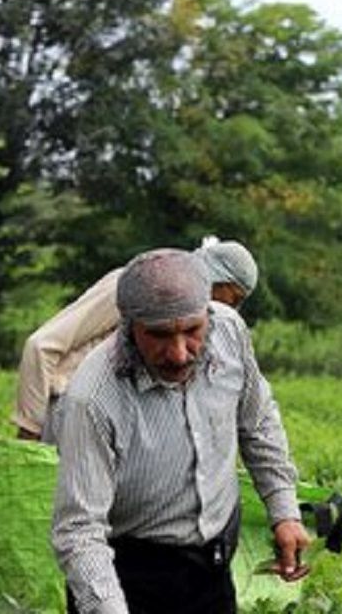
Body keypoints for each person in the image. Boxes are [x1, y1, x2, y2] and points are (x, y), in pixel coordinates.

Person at [51, 248, 305, 614]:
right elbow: (78, 529)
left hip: (212, 566)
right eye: (158, 335)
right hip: (127, 574)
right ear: (129, 325)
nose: (180, 353)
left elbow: (258, 422)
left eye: (192, 330)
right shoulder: (92, 398)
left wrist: (284, 511)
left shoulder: (229, 331)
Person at [14, 236, 258, 443]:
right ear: (215, 279)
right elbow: (41, 346)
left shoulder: (187, 325)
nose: (233, 310)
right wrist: (30, 434)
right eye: (234, 298)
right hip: (71, 418)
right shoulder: (135, 286)